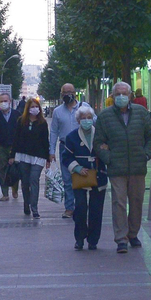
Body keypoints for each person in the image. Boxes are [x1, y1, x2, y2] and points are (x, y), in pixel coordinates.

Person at [95, 81, 151, 253]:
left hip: (137, 166)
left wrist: (146, 154)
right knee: (119, 203)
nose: (121, 97)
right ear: (113, 96)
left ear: (130, 95)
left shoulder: (141, 112)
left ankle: (133, 234)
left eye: (124, 93)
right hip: (117, 168)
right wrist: (109, 158)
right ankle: (121, 238)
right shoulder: (105, 116)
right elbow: (98, 142)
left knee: (137, 202)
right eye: (118, 94)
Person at [61, 104, 108, 251]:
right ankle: (79, 238)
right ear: (78, 120)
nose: (86, 120)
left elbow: (108, 152)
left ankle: (93, 240)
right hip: (80, 177)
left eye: (89, 117)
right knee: (80, 208)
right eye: (83, 118)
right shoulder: (72, 137)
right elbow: (66, 157)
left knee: (96, 210)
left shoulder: (101, 135)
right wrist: (77, 168)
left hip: (99, 175)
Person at [13, 96, 52, 219]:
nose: (34, 109)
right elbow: (16, 139)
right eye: (32, 107)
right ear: (27, 108)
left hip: (38, 156)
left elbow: (45, 141)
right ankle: (26, 203)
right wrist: (12, 155)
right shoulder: (21, 121)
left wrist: (48, 158)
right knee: (25, 182)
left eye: (36, 107)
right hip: (23, 156)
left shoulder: (42, 123)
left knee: (34, 180)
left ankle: (34, 208)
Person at [47, 84, 82, 220]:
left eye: (70, 92)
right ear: (61, 94)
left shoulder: (83, 108)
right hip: (65, 148)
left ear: (75, 93)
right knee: (67, 179)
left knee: (82, 177)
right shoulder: (57, 111)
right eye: (65, 92)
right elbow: (54, 131)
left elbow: (94, 122)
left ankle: (81, 206)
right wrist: (51, 151)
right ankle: (69, 208)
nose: (68, 94)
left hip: (81, 147)